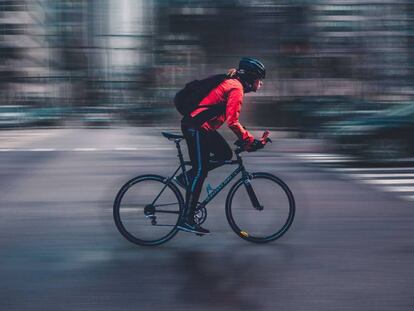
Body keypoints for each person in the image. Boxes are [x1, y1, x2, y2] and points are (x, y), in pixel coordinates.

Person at [176, 57, 266, 235]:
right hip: (195, 126)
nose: (261, 83)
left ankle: (189, 177)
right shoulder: (236, 88)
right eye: (259, 79)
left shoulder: (233, 83)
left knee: (224, 154)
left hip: (201, 126)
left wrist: (246, 138)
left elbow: (230, 119)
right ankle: (187, 219)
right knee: (200, 171)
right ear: (251, 77)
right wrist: (248, 139)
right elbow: (232, 121)